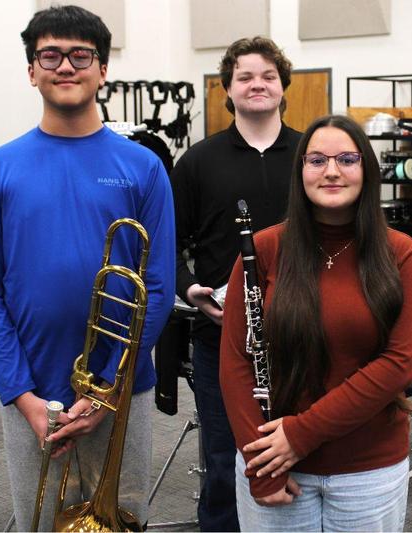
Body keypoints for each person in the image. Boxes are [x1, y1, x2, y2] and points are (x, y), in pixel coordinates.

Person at [0, 6, 174, 530]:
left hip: (120, 389)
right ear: (31, 70)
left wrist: (108, 390)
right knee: (39, 521)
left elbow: (156, 286)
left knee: (122, 520)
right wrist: (20, 394)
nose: (65, 66)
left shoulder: (144, 167)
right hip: (32, 389)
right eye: (50, 55)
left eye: (81, 55)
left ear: (102, 70)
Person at [219, 115, 412, 531]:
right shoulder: (262, 249)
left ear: (367, 170)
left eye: (347, 159)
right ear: (300, 172)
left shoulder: (401, 253)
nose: (332, 171)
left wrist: (301, 434)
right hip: (275, 464)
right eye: (317, 160)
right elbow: (236, 362)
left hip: (367, 472)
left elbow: (400, 364)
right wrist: (260, 463)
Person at [171, 36, 302, 531]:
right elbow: (167, 245)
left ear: (283, 86)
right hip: (223, 339)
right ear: (227, 88)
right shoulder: (197, 161)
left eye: (268, 76)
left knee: (306, 457)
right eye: (245, 76)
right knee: (227, 461)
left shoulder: (312, 155)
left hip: (306, 336)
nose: (257, 84)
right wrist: (188, 289)